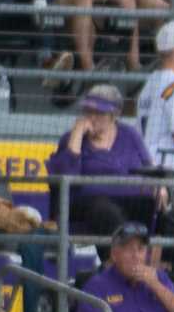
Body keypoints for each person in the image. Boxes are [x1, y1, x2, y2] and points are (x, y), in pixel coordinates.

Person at [48, 86, 157, 240]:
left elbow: (148, 167)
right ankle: (117, 258)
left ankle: (158, 261)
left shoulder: (130, 134)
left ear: (115, 114)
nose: (92, 117)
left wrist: (160, 186)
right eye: (88, 111)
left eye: (99, 113)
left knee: (160, 209)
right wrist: (77, 133)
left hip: (128, 200)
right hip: (86, 205)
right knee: (104, 209)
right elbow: (65, 177)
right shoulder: (71, 139)